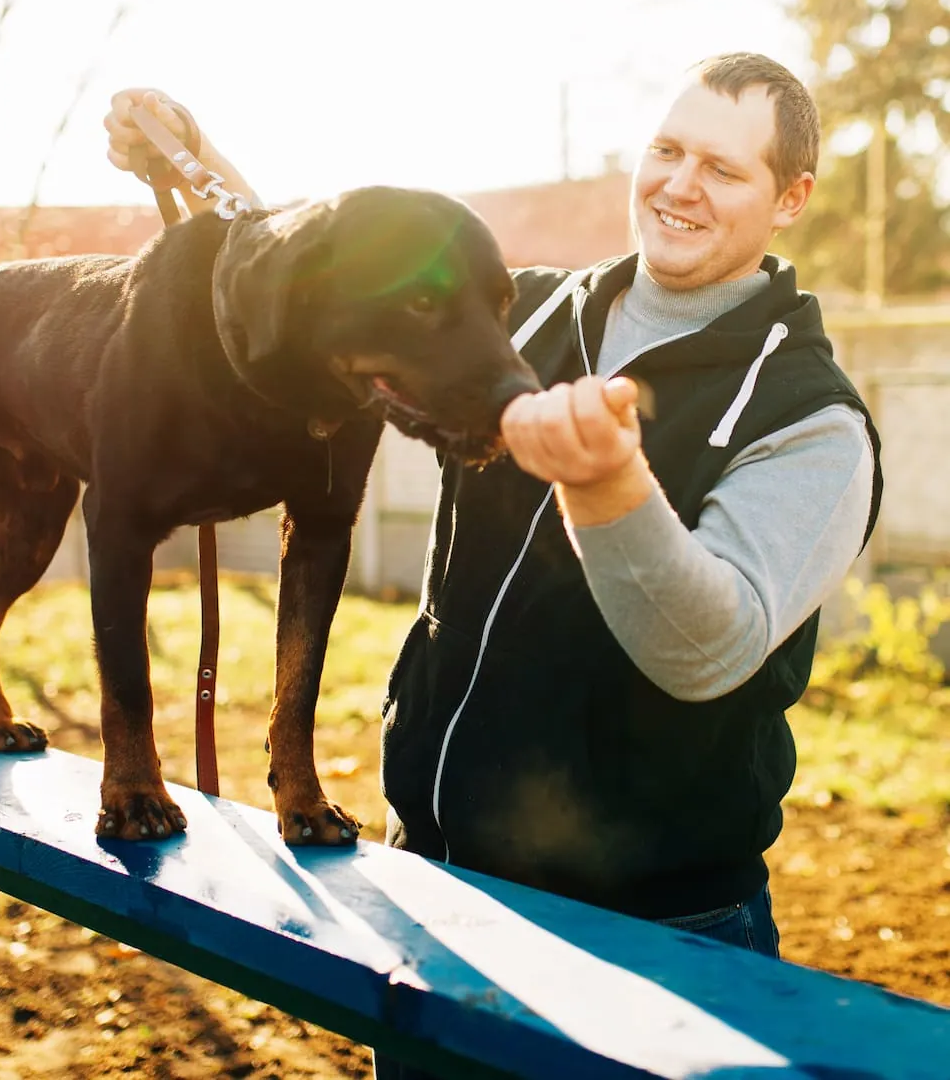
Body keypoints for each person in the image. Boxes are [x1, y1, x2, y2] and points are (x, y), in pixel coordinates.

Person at [106, 53, 881, 1078]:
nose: (680, 186)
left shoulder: (810, 418)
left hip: (658, 930)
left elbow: (711, 648)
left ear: (791, 199)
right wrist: (193, 154)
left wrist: (608, 487)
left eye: (724, 170)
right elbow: (329, 266)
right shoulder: (522, 314)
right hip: (433, 883)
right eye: (667, 151)